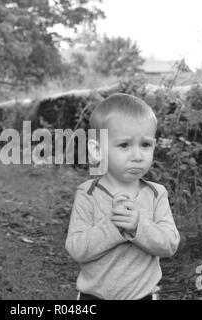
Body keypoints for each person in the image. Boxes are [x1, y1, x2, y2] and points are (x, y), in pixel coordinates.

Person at [65, 93, 180, 300]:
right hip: (94, 297)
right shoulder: (88, 194)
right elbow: (76, 248)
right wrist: (112, 227)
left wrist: (138, 226)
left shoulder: (156, 194)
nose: (138, 156)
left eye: (145, 145)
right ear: (97, 150)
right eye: (124, 145)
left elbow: (170, 244)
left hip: (142, 296)